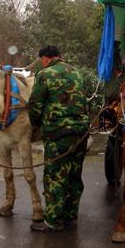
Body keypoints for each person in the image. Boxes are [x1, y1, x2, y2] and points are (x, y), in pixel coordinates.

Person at [28, 46, 90, 232]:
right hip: (81, 132)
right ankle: (70, 216)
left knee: (55, 175)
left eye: (41, 61)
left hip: (58, 133)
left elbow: (35, 104)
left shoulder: (44, 74)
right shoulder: (76, 73)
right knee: (73, 174)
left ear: (45, 59)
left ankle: (53, 221)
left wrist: (36, 126)